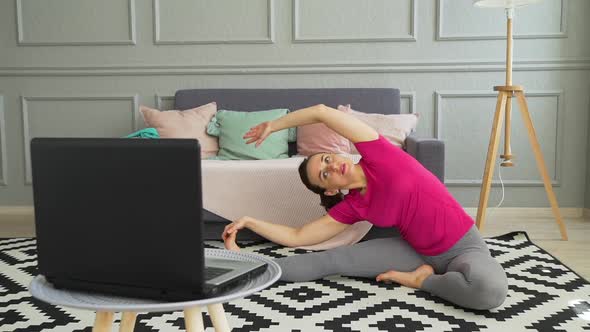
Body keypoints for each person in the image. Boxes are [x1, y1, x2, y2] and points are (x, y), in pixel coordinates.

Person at [222, 104, 508, 310]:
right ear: (331, 189)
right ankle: (251, 269)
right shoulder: (354, 206)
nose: (331, 165)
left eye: (325, 159)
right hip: (413, 250)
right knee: (330, 261)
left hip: (463, 246)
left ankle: (422, 281)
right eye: (325, 174)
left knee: (490, 292)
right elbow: (298, 237)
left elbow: (322, 112)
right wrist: (250, 221)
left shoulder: (378, 152)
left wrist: (275, 125)